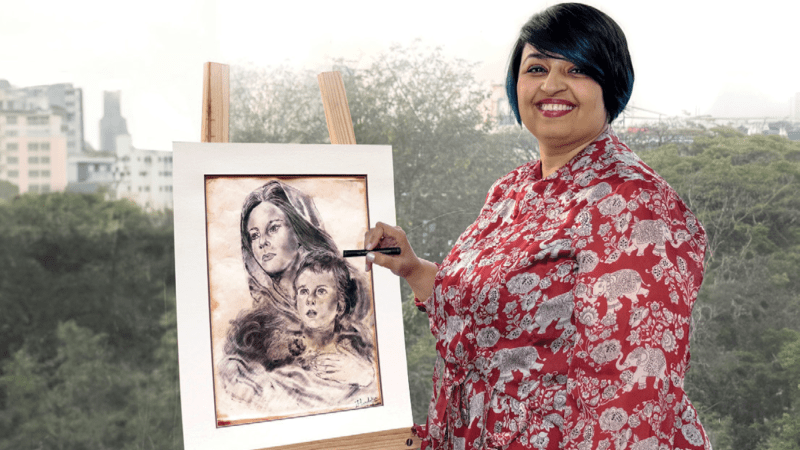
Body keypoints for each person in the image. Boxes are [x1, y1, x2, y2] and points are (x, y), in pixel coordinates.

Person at [364, 3, 711, 449]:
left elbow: (629, 396)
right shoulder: (512, 190)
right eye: (536, 68)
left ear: (611, 84)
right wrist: (412, 268)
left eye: (576, 69)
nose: (551, 85)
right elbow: (492, 318)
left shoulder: (633, 202)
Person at [221, 250, 378, 413]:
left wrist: (364, 376)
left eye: (321, 291)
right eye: (303, 291)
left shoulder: (355, 350)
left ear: (340, 305)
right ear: (296, 302)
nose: (310, 299)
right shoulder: (280, 340)